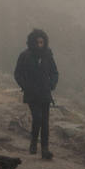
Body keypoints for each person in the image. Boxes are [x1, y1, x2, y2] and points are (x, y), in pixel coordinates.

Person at [13, 28, 59, 160]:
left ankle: (45, 149)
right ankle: (33, 142)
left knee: (45, 121)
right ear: (32, 42)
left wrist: (51, 84)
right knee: (37, 118)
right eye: (38, 42)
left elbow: (55, 72)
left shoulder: (48, 55)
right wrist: (25, 86)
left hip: (45, 93)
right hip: (31, 93)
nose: (40, 45)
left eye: (42, 42)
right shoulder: (25, 55)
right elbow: (17, 74)